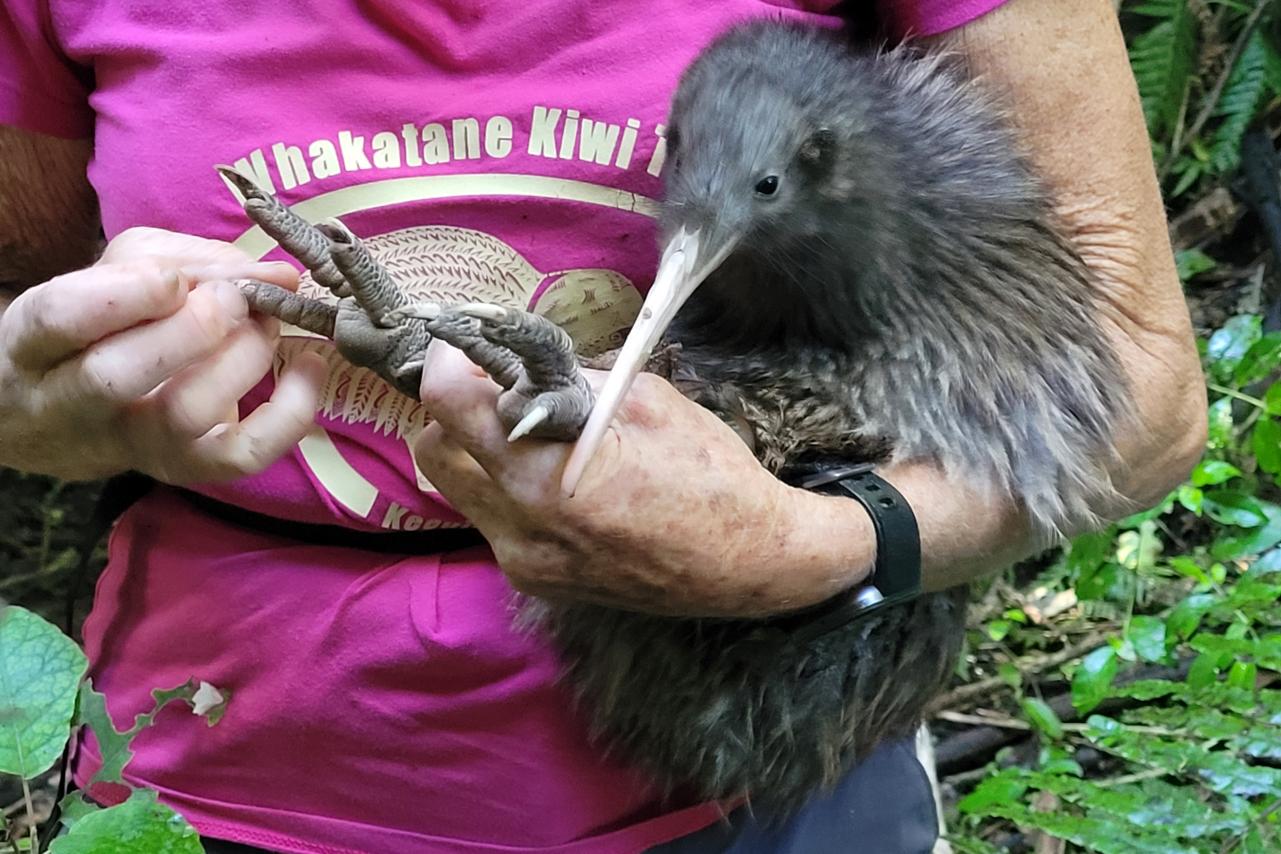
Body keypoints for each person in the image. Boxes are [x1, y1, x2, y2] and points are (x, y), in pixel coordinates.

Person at [0, 0, 1204, 851]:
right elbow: (33, 338)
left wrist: (817, 547)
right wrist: (52, 409)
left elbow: (1140, 390)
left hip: (751, 782)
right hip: (209, 783)